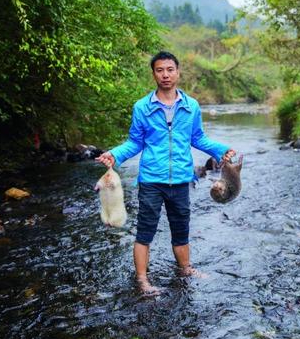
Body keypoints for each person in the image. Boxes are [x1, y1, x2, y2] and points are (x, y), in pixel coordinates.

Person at [96, 51, 236, 293]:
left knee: (181, 228)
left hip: (182, 179)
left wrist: (221, 150)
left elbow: (198, 138)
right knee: (145, 230)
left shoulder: (191, 106)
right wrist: (115, 155)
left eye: (170, 69)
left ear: (178, 72)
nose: (165, 75)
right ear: (154, 74)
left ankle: (185, 268)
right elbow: (134, 142)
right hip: (151, 180)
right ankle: (142, 279)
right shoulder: (142, 107)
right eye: (160, 70)